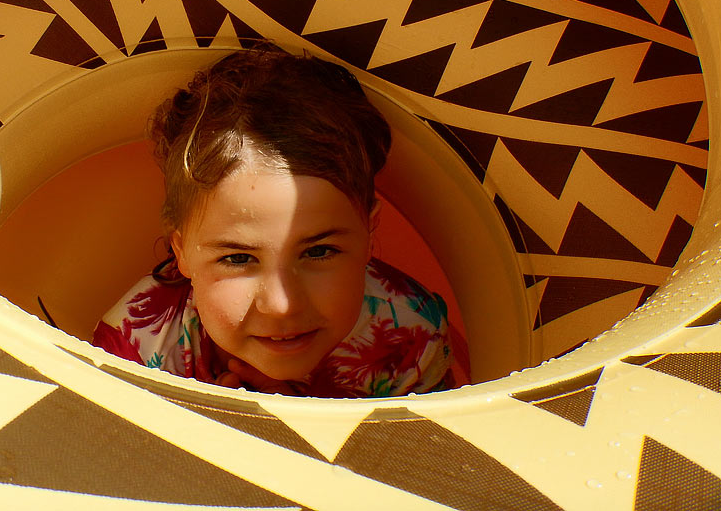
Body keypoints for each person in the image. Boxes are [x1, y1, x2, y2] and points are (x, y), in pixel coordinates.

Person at [92, 44, 454, 397]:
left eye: (319, 251)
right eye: (238, 258)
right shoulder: (134, 348)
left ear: (368, 229)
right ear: (182, 252)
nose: (283, 305)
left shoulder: (411, 337)